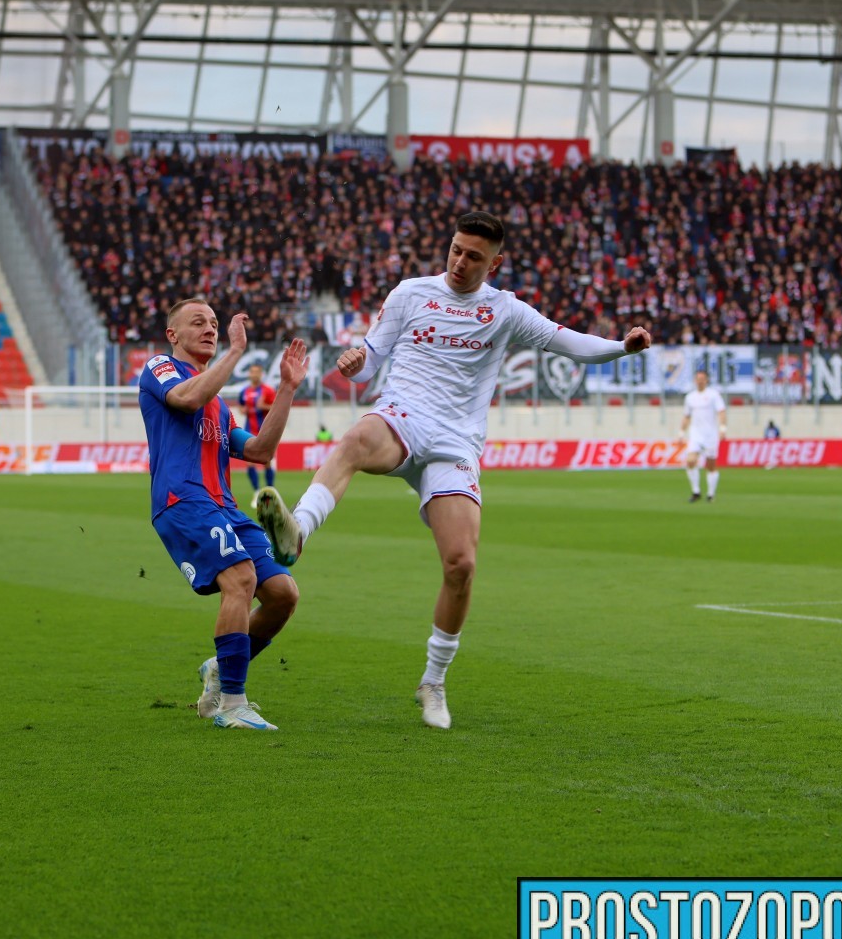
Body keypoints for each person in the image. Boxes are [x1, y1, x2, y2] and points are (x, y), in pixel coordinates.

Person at [254, 210, 650, 730]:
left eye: (474, 257)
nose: (461, 261)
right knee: (354, 440)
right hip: (402, 416)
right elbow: (371, 360)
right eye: (456, 250)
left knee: (461, 564)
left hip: (455, 442)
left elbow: (567, 341)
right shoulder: (410, 293)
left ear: (495, 264)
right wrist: (356, 363)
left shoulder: (505, 310)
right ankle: (297, 533)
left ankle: (433, 681)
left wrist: (621, 347)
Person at [140, 298, 309, 731]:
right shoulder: (160, 368)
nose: (210, 329)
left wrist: (287, 388)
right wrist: (236, 351)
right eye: (198, 322)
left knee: (283, 594)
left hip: (224, 506)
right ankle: (232, 703)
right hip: (183, 500)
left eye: (214, 323)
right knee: (240, 578)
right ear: (173, 334)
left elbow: (260, 450)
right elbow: (186, 397)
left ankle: (220, 666)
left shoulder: (219, 405)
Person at [681, 369, 726, 503]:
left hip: (710, 434)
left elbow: (721, 412)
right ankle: (696, 491)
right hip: (696, 434)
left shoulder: (713, 395)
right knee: (690, 461)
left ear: (707, 380)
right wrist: (681, 432)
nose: (700, 381)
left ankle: (711, 494)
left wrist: (723, 428)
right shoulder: (690, 397)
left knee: (711, 465)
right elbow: (686, 416)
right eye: (698, 379)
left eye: (702, 379)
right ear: (695, 381)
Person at [236, 363, 277, 505]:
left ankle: (270, 492)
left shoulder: (268, 390)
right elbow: (241, 405)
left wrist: (263, 406)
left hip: (264, 430)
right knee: (249, 462)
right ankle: (256, 492)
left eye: (257, 372)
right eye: (252, 372)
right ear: (249, 374)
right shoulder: (244, 391)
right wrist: (243, 410)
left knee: (266, 461)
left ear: (261, 374)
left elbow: (276, 408)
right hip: (249, 430)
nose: (254, 374)